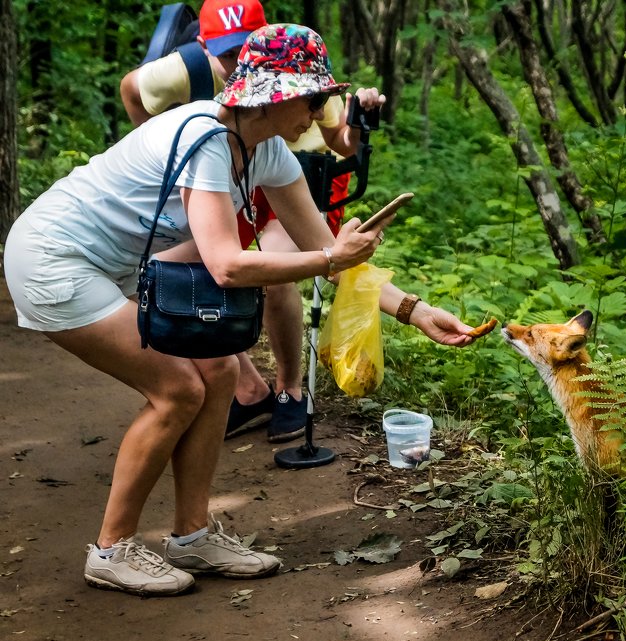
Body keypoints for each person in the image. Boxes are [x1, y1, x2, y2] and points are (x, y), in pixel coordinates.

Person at [4, 23, 478, 597]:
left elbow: (317, 246)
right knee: (177, 389)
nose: (321, 111)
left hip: (113, 266)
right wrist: (329, 257)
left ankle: (192, 534)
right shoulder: (207, 139)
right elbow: (229, 265)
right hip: (54, 259)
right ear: (274, 94)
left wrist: (414, 310)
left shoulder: (267, 150)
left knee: (223, 369)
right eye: (313, 97)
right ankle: (112, 549)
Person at [120, 0, 372, 443]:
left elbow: (341, 146)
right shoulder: (194, 102)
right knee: (200, 287)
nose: (239, 63)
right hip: (215, 181)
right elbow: (227, 267)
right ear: (202, 45)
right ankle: (247, 387)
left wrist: (413, 310)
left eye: (244, 49)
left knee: (272, 277)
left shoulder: (287, 90)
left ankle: (287, 390)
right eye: (228, 54)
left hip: (280, 174)